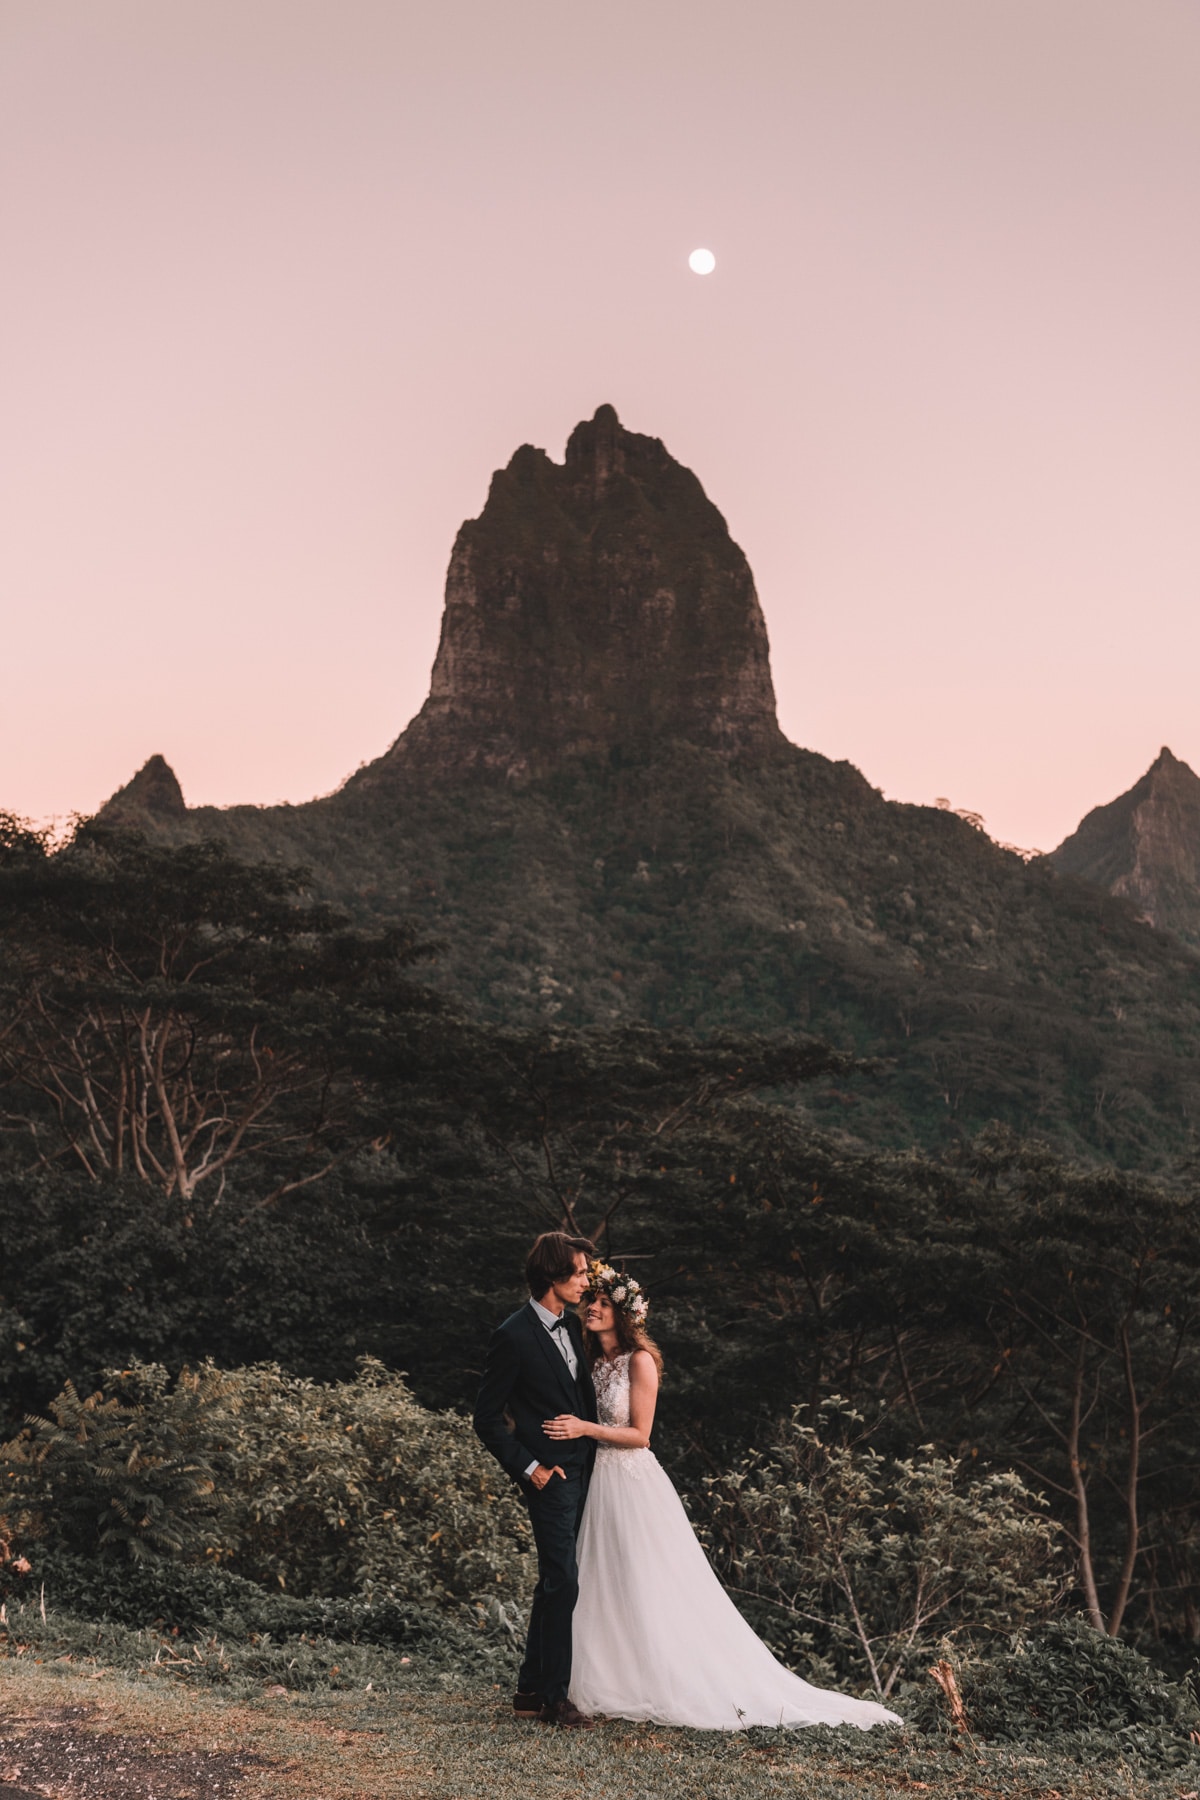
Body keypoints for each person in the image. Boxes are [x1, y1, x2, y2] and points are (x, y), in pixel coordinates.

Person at [542, 1261, 903, 1731]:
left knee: (646, 1577)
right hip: (596, 1480)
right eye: (591, 1299)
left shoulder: (639, 1361)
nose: (592, 1307)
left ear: (624, 1314)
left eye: (604, 1302)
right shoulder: (590, 1360)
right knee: (601, 1576)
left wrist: (584, 1428)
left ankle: (666, 1676)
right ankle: (607, 1674)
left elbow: (641, 1435)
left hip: (630, 1481)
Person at [473, 1230, 600, 1729]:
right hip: (551, 1480)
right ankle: (555, 1699)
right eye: (580, 1272)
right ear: (553, 1274)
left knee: (553, 1581)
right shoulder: (513, 1334)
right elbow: (486, 1418)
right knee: (563, 1579)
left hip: (588, 1472)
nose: (586, 1281)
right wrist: (532, 1468)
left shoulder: (573, 1325)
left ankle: (529, 1690)